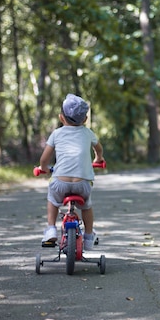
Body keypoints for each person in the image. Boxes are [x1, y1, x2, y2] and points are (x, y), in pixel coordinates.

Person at [38, 93, 104, 251]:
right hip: (82, 184)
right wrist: (98, 159)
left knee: (53, 199)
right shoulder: (88, 133)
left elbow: (44, 159)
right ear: (85, 120)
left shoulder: (57, 134)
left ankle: (51, 229)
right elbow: (99, 149)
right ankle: (88, 237)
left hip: (61, 183)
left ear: (61, 117)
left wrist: (43, 169)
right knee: (86, 206)